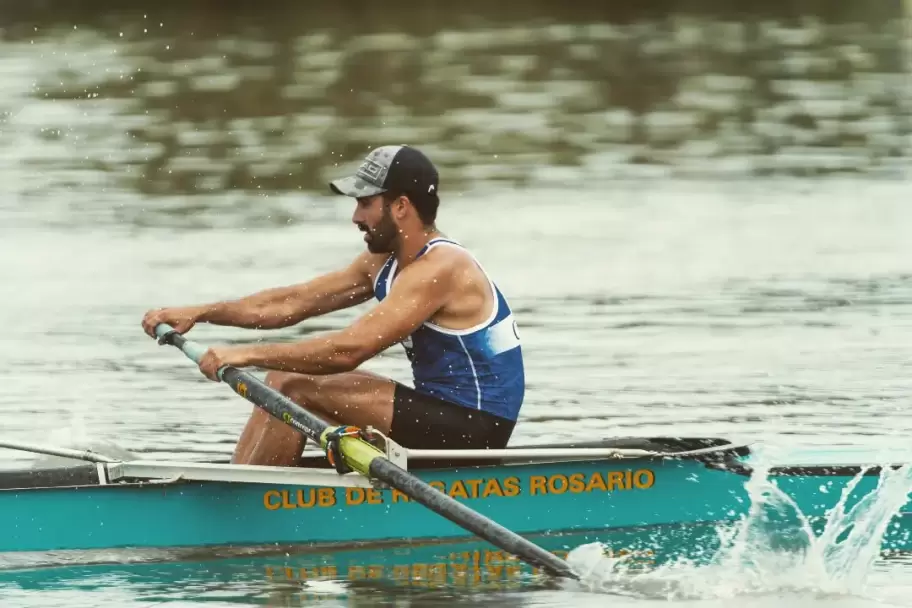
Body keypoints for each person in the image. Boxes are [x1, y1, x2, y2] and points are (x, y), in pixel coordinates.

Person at [141, 145, 524, 467]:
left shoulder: (441, 268)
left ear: (401, 206)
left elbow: (348, 351)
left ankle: (250, 508)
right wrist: (201, 312)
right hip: (434, 411)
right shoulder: (383, 262)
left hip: (476, 429)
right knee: (282, 380)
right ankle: (240, 484)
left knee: (290, 385)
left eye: (365, 203)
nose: (356, 217)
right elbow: (288, 303)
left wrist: (243, 355)